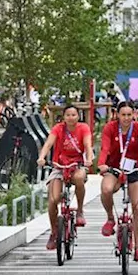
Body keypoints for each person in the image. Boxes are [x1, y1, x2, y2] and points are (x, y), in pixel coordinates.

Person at [98, 102, 138, 261]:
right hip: (114, 169)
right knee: (106, 189)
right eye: (123, 115)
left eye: (129, 115)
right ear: (117, 115)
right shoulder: (110, 128)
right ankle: (110, 218)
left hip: (134, 169)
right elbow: (104, 148)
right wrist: (102, 164)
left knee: (137, 207)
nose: (126, 118)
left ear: (134, 115)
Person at [36, 105, 94, 251]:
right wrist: (42, 157)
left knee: (80, 178)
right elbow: (48, 144)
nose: (71, 117)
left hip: (77, 165)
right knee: (53, 200)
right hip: (59, 165)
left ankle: (80, 210)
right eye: (68, 115)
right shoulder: (58, 129)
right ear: (63, 117)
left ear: (78, 116)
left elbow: (88, 145)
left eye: (73, 114)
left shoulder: (83, 128)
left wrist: (89, 159)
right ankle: (54, 232)